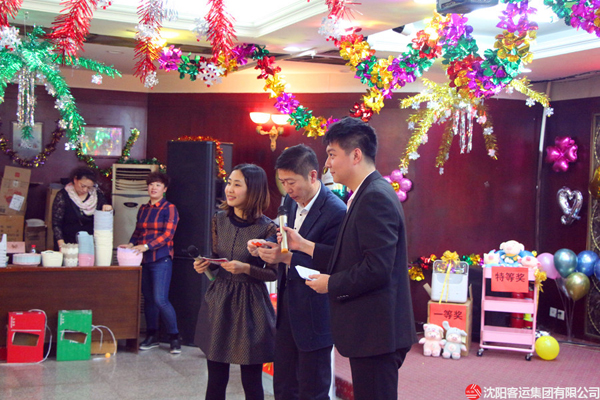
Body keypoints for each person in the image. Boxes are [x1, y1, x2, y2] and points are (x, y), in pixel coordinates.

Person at [303, 117, 417, 400]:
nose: (327, 164)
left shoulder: (375, 196)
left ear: (356, 155)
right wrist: (303, 246)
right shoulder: (364, 193)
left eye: (332, 155)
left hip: (377, 333)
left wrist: (331, 284)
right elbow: (350, 255)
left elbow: (377, 268)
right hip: (372, 331)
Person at [248, 144, 346, 400]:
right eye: (282, 183)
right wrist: (267, 245)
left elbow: (334, 263)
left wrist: (287, 258)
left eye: (291, 182)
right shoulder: (290, 203)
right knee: (283, 387)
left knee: (312, 390)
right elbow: (284, 237)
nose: (287, 189)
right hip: (287, 311)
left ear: (312, 176)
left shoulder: (336, 212)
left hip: (316, 314)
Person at [193, 163, 278, 400]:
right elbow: (216, 257)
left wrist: (246, 268)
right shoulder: (219, 219)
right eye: (229, 183)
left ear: (254, 190)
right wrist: (206, 264)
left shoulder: (268, 228)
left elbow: (273, 273)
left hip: (251, 305)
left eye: (237, 184)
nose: (229, 189)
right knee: (216, 378)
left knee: (251, 380)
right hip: (220, 300)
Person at [124, 172, 181, 354]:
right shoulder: (143, 208)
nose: (153, 188)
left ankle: (174, 337)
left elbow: (168, 235)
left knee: (160, 299)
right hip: (143, 259)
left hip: (161, 258)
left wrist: (147, 246)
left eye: (158, 185)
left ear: (164, 189)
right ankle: (152, 336)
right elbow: (138, 231)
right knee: (148, 299)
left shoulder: (169, 208)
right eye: (151, 184)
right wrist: (131, 244)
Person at [52, 167, 112, 249]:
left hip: (90, 243)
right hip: (68, 242)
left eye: (89, 187)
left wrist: (108, 208)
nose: (85, 190)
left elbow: (108, 214)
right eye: (83, 186)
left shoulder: (97, 195)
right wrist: (61, 244)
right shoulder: (63, 195)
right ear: (75, 179)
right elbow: (56, 224)